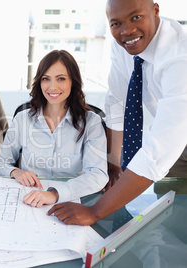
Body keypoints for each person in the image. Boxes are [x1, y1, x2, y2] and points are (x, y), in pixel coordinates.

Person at [49, 0, 187, 225]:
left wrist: (95, 212)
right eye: (116, 23)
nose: (126, 31)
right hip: (177, 143)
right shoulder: (125, 44)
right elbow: (117, 104)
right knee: (170, 216)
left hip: (174, 134)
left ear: (155, 11)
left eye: (135, 18)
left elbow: (157, 152)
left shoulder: (180, 58)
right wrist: (114, 164)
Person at [0, 50, 108, 206]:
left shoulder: (91, 122)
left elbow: (98, 175)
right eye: (46, 79)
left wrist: (54, 194)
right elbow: (0, 164)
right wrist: (15, 172)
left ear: (73, 82)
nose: (52, 87)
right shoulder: (23, 119)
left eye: (61, 79)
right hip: (27, 199)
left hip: (71, 200)